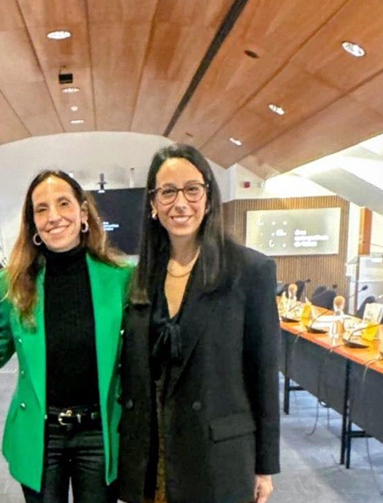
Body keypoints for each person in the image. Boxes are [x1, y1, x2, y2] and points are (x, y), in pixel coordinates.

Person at [117, 144, 280, 503]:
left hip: (217, 454)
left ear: (208, 197)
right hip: (153, 452)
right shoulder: (140, 276)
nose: (180, 203)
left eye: (192, 189)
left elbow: (264, 374)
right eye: (168, 192)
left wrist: (264, 466)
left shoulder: (249, 271)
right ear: (153, 203)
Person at [0, 170, 133, 503]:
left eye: (63, 204)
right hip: (41, 433)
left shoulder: (121, 279)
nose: (53, 217)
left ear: (83, 213)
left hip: (99, 433)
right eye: (41, 209)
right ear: (32, 223)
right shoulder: (12, 284)